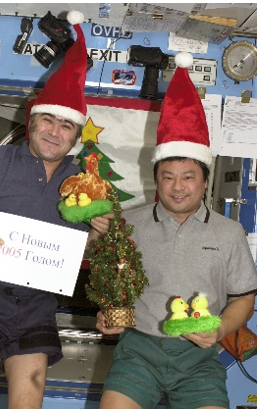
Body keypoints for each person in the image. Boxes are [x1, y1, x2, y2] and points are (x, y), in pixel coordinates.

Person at [0, 11, 108, 408]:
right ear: (32, 120)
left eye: (66, 126)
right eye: (48, 120)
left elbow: (85, 254)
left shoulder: (84, 183)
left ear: (77, 136)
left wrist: (97, 234)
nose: (55, 132)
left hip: (38, 306)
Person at [96, 52, 256, 409]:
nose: (178, 187)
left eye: (188, 177)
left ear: (203, 182)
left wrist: (221, 329)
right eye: (168, 177)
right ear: (156, 181)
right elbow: (110, 280)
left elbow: (244, 298)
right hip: (138, 353)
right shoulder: (127, 225)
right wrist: (108, 312)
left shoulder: (229, 233)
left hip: (198, 360)